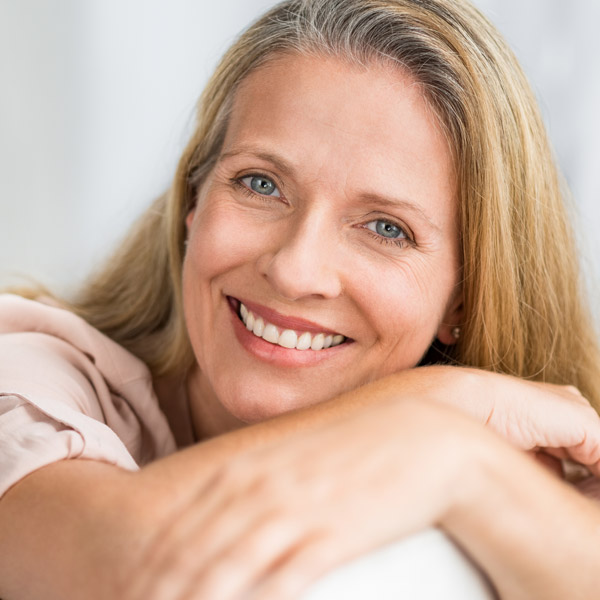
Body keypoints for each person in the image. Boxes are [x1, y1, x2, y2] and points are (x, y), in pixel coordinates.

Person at [1, 0, 600, 598]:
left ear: (462, 302)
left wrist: (454, 457)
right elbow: (125, 575)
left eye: (386, 227)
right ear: (194, 202)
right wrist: (428, 419)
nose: (294, 271)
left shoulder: (503, 454)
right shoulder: (26, 381)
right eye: (261, 184)